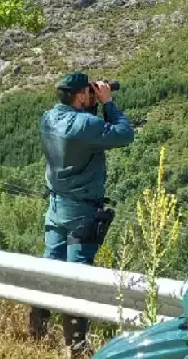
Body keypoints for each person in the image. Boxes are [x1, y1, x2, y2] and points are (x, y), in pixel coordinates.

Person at [30, 72, 135, 357]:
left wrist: (92, 104)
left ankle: (36, 334)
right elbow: (125, 134)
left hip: (55, 208)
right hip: (81, 213)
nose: (94, 95)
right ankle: (77, 348)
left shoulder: (48, 118)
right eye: (89, 92)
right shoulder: (85, 124)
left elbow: (81, 125)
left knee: (49, 268)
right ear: (79, 96)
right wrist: (108, 103)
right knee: (77, 277)